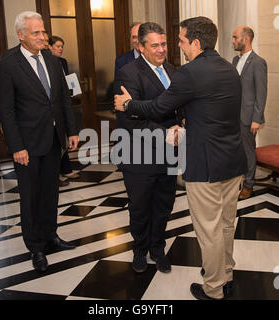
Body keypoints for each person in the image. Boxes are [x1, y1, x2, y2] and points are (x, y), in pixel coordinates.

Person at [115, 17, 247, 300]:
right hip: (231, 160)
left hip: (205, 164)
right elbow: (206, 109)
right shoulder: (229, 68)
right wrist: (180, 127)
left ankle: (213, 287)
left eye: (179, 41)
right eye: (159, 44)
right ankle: (224, 272)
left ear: (196, 43)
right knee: (224, 225)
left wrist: (128, 104)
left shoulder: (186, 71)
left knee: (209, 230)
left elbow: (160, 106)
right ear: (141, 47)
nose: (173, 47)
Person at [0, 11, 80, 273]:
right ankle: (35, 246)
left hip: (54, 140)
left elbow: (63, 99)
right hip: (27, 145)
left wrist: (71, 131)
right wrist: (16, 146)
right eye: (36, 33)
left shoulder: (53, 61)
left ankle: (51, 236)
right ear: (21, 35)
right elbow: (6, 111)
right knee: (30, 197)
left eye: (43, 31)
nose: (43, 37)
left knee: (51, 193)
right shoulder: (7, 65)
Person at [114, 22, 180, 274]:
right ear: (141, 47)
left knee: (164, 204)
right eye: (155, 45)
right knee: (140, 207)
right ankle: (140, 250)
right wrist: (165, 135)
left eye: (163, 44)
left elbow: (179, 106)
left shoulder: (173, 70)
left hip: (169, 153)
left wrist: (181, 125)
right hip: (139, 154)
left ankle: (157, 248)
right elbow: (131, 118)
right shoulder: (129, 73)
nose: (162, 49)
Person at [232, 26, 268, 200]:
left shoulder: (258, 62)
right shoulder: (234, 60)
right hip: (232, 116)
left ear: (245, 39)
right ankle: (237, 180)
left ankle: (248, 184)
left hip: (248, 118)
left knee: (248, 151)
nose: (232, 41)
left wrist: (257, 119)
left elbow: (261, 93)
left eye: (234, 37)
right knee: (236, 151)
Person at [49, 35, 81, 186]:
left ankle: (66, 169)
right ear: (49, 47)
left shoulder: (62, 62)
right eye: (57, 46)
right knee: (57, 140)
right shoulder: (47, 62)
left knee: (64, 138)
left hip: (64, 102)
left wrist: (72, 89)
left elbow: (67, 81)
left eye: (62, 46)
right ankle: (57, 173)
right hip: (52, 106)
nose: (60, 49)